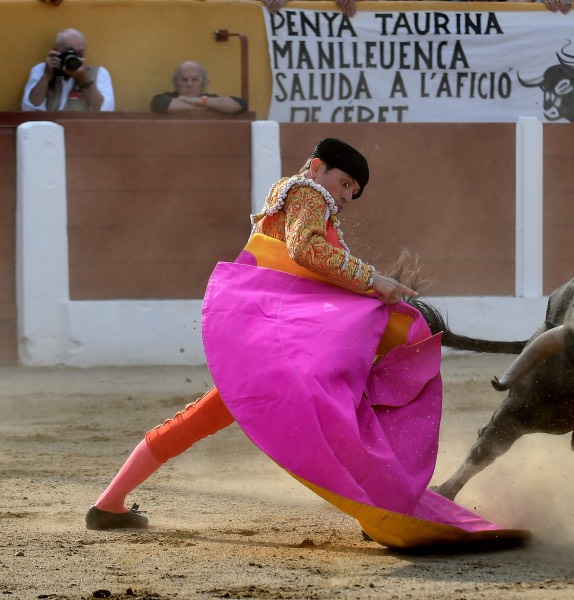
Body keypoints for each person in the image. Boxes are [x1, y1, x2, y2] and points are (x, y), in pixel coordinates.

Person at [86, 138, 527, 550]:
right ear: (317, 167)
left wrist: (372, 287)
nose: (348, 196)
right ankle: (376, 506)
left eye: (354, 190)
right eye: (345, 182)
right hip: (287, 344)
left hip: (276, 341)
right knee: (344, 412)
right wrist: (373, 279)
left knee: (205, 416)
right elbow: (305, 251)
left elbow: (309, 270)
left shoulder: (306, 200)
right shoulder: (307, 193)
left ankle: (109, 504)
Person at [21, 28, 115, 112]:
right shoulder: (41, 70)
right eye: (69, 53)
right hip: (49, 129)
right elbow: (28, 109)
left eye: (80, 53)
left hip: (83, 129)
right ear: (56, 51)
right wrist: (46, 76)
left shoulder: (99, 73)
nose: (74, 58)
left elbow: (106, 111)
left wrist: (84, 79)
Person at [150, 61, 248, 115]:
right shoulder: (163, 98)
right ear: (175, 83)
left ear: (204, 83)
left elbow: (241, 104)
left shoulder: (211, 98)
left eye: (195, 80)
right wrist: (201, 106)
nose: (189, 84)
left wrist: (189, 100)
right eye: (184, 79)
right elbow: (160, 105)